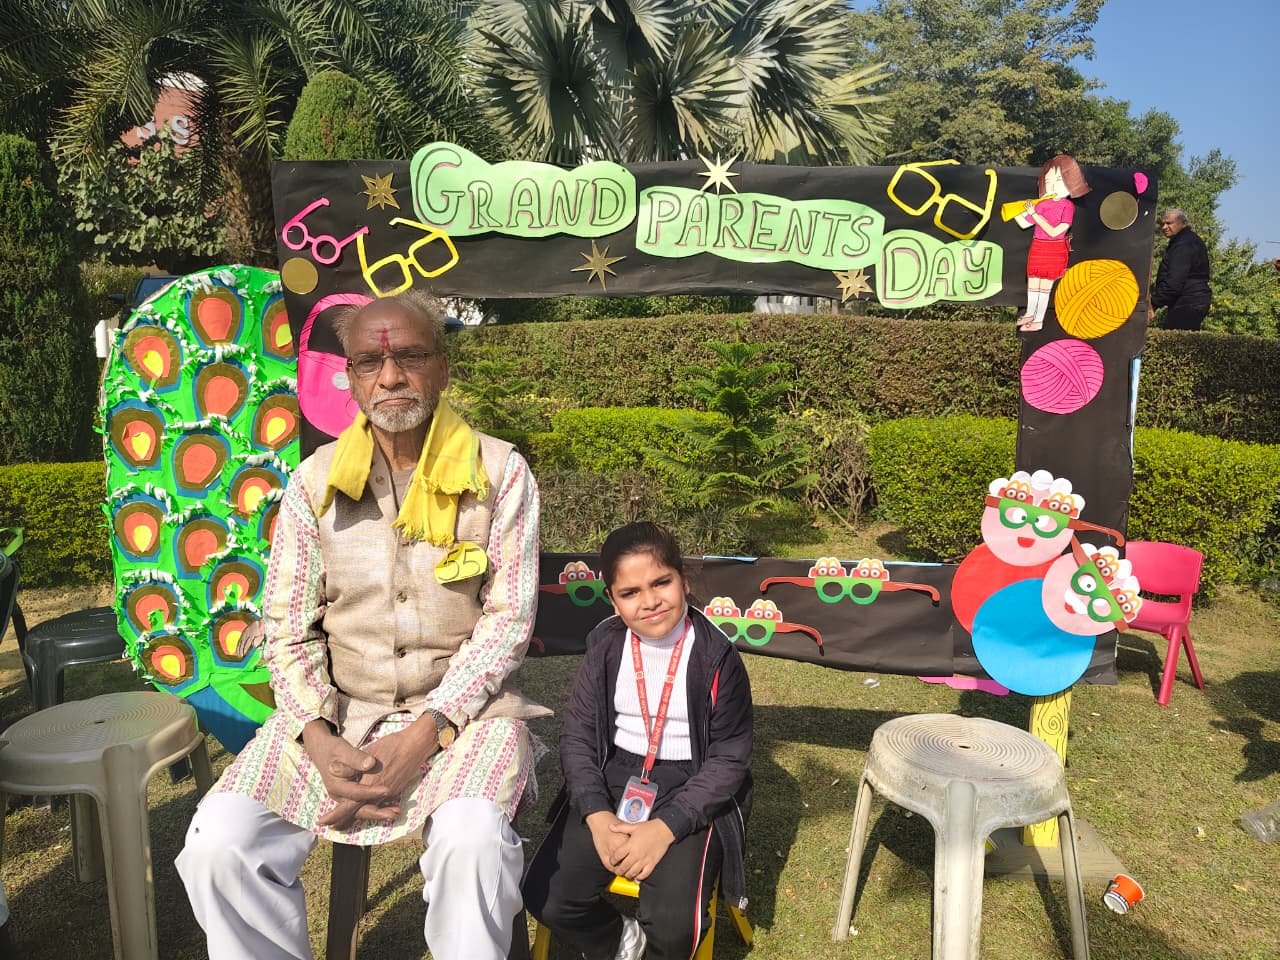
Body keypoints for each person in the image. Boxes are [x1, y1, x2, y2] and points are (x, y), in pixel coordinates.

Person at [176, 290, 548, 960]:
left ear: (442, 368)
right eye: (370, 363)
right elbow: (286, 627)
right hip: (338, 716)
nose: (391, 376)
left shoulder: (500, 473)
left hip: (466, 717)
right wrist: (317, 736)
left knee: (475, 844)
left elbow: (507, 621)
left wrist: (425, 734)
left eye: (410, 356)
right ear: (348, 379)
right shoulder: (313, 484)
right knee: (218, 846)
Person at [523, 522, 753, 960]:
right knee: (546, 894)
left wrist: (666, 828)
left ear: (683, 580)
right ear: (613, 599)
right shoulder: (605, 646)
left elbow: (730, 759)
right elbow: (578, 737)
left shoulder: (717, 656)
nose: (649, 602)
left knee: (673, 927)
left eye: (661, 583)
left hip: (692, 783)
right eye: (630, 592)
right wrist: (596, 814)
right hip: (618, 774)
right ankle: (621, 941)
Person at [1014, 155, 1092, 332]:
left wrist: (1034, 215)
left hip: (1054, 249)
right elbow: (1023, 222)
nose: (1053, 185)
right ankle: (1030, 314)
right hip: (1038, 246)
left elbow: (1056, 232)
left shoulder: (1067, 206)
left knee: (1045, 286)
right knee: (1033, 283)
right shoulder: (1042, 204)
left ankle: (1038, 320)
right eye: (1048, 181)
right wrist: (1020, 209)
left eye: (1058, 180)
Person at [1151, 208, 1211, 331]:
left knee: (1172, 338)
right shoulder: (1183, 242)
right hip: (1189, 301)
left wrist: (1154, 303)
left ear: (1183, 223)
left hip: (1188, 302)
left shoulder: (1184, 244)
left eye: (1169, 223)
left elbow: (1175, 281)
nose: (1164, 227)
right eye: (1163, 223)